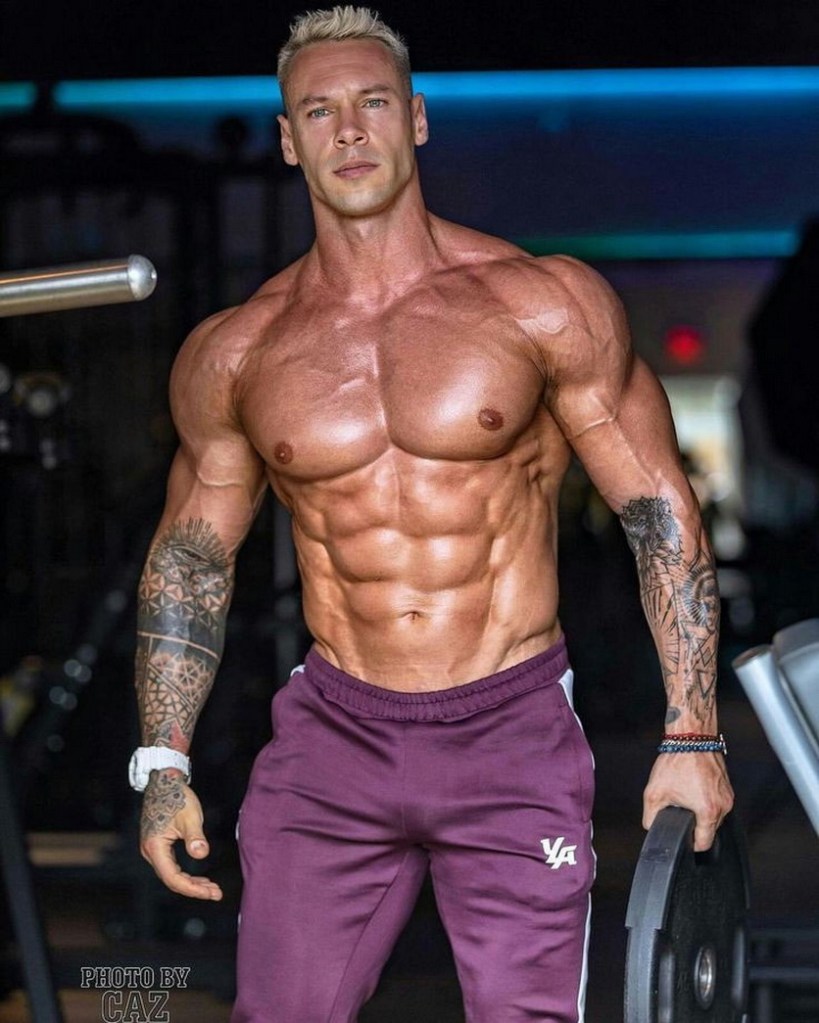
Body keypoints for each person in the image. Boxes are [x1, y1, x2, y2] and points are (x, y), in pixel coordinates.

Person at [129, 7, 734, 1020]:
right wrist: (163, 761)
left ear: (415, 119)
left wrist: (694, 736)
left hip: (509, 726)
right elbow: (191, 559)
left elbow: (657, 511)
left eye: (372, 104)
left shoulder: (540, 304)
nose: (349, 132)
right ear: (287, 140)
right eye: (318, 111)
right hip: (333, 735)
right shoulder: (237, 351)